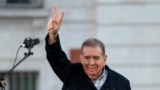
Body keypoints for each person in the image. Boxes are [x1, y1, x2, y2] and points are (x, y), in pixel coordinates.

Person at [45, 6, 131, 90]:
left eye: (96, 58)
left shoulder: (121, 84)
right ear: (81, 58)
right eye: (87, 58)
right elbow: (56, 58)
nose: (92, 63)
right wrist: (53, 35)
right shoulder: (71, 74)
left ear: (104, 59)